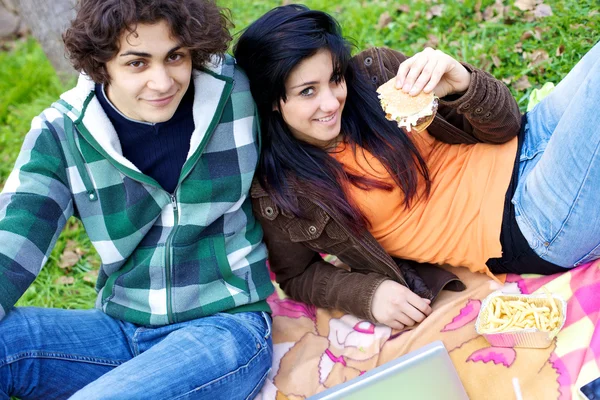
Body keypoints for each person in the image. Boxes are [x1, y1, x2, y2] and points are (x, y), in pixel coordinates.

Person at [233, 4, 600, 331]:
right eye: (307, 91)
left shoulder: (381, 77)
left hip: (530, 141)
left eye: (335, 78)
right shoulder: (282, 190)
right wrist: (369, 294)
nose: (331, 102)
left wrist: (463, 85)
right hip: (531, 222)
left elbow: (508, 126)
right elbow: (297, 275)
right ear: (271, 102)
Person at [0, 0, 274, 398]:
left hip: (225, 328)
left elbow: (324, 92)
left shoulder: (236, 92)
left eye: (175, 56)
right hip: (117, 331)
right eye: (137, 63)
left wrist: (398, 71)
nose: (162, 82)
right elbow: (13, 237)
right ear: (101, 63)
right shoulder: (62, 133)